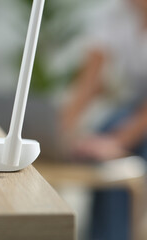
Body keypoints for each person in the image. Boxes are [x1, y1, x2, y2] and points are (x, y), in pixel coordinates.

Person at [60, 0, 147, 239]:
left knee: (122, 164)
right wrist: (60, 131)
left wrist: (119, 142)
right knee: (99, 147)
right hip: (136, 105)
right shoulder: (114, 14)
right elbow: (89, 81)